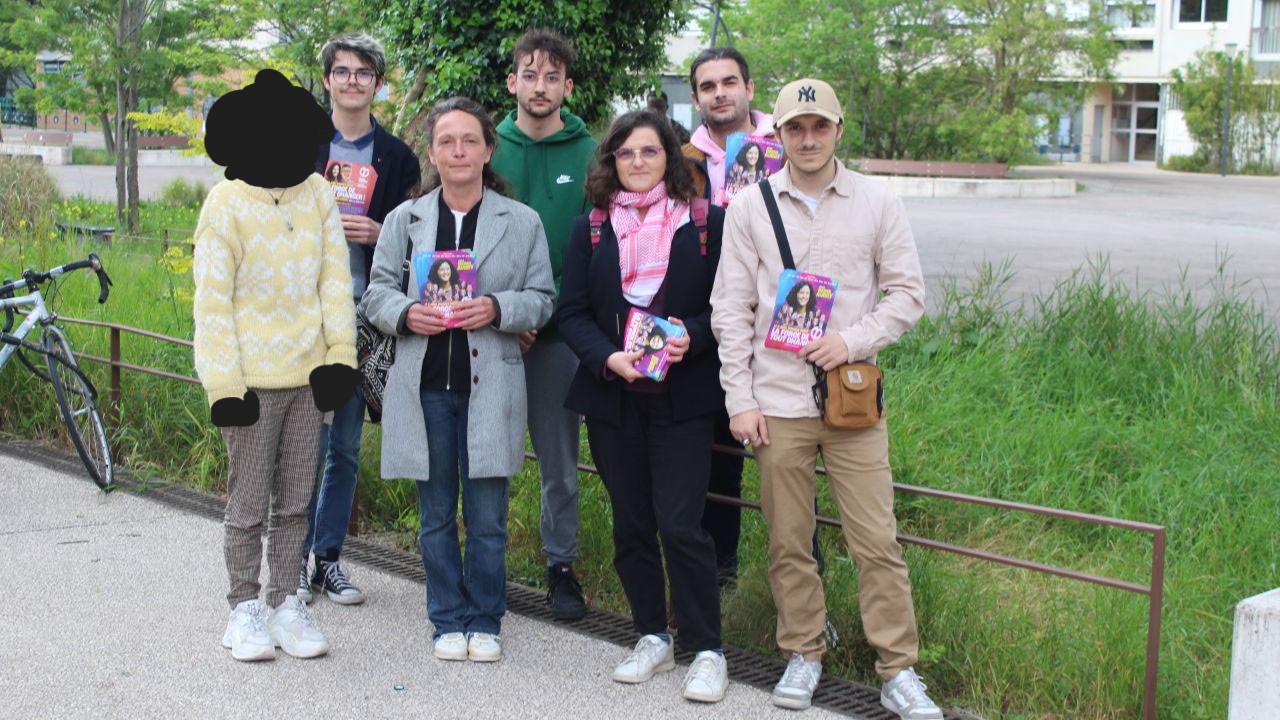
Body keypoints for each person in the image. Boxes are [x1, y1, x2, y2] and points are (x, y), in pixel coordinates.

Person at [710, 78, 943, 718]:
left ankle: (898, 670)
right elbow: (729, 309)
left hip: (851, 402)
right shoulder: (750, 207)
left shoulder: (877, 202)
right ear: (777, 136)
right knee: (789, 539)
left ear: (839, 129)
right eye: (795, 128)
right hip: (776, 402)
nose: (808, 139)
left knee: (877, 542)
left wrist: (852, 339)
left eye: (819, 126)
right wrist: (739, 399)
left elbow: (907, 295)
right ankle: (804, 653)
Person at [359, 97, 555, 664]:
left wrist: (496, 307)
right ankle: (446, 616)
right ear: (433, 151)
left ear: (489, 149)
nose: (459, 150)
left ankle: (486, 617)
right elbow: (374, 292)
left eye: (470, 140)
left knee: (488, 516)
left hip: (490, 385)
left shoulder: (521, 223)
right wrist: (404, 313)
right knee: (436, 512)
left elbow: (543, 299)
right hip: (425, 389)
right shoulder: (405, 219)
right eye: (447, 141)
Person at [558, 109, 729, 703]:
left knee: (682, 525)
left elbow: (727, 308)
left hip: (683, 402)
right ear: (611, 161)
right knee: (631, 523)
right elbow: (572, 311)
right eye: (625, 153)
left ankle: (706, 648)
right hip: (614, 398)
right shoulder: (593, 229)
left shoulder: (704, 223)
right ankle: (652, 634)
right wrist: (607, 358)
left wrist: (693, 336)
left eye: (649, 152)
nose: (636, 162)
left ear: (671, 158)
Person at [195, 69, 359, 662]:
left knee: (295, 500)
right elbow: (211, 302)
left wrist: (340, 356)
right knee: (247, 501)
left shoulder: (318, 195)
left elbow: (334, 281)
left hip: (306, 379)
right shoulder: (225, 203)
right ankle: (243, 608)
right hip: (251, 385)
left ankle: (287, 600)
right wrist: (223, 382)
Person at [301, 31, 422, 608]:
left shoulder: (398, 158)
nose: (353, 81)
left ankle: (328, 559)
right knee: (303, 441)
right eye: (342, 72)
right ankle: (292, 559)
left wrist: (380, 235)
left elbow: (418, 245)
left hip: (365, 317)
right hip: (303, 316)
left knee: (345, 445)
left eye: (364, 73)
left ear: (378, 83)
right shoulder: (298, 145)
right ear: (327, 80)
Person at [489, 28, 597, 621]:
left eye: (551, 77)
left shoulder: (588, 153)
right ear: (513, 82)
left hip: (555, 335)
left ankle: (561, 566)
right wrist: (506, 312)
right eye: (529, 75)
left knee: (559, 461)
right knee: (492, 452)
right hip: (489, 330)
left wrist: (538, 313)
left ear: (566, 86)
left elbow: (588, 252)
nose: (539, 86)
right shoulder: (488, 146)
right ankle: (489, 561)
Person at [682, 46, 777, 587]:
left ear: (749, 88)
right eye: (709, 86)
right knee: (720, 453)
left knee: (785, 454)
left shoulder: (784, 148)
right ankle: (724, 579)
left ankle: (800, 584)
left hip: (774, 325)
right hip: (703, 323)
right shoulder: (681, 159)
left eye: (729, 82)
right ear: (695, 97)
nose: (720, 93)